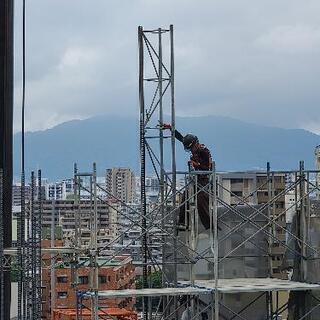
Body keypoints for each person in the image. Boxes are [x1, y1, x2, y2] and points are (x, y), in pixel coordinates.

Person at [163, 123, 214, 230]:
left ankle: (209, 225)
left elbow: (206, 169)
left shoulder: (204, 152)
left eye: (191, 149)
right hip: (196, 180)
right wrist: (171, 129)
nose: (191, 151)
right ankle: (182, 222)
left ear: (195, 144)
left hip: (204, 181)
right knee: (185, 197)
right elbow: (181, 138)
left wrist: (196, 165)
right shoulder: (192, 147)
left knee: (201, 200)